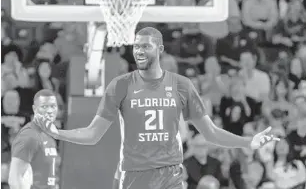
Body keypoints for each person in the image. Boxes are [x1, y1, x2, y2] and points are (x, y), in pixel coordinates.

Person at [37, 27, 280, 189]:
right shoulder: (120, 85)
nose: (140, 51)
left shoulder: (182, 86)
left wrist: (248, 142)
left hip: (170, 176)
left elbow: (211, 133)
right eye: (137, 46)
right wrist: (58, 134)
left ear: (161, 49)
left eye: (146, 46)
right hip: (133, 176)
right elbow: (93, 134)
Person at [8, 89, 59, 189]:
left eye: (53, 106)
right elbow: (14, 179)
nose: (49, 111)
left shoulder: (50, 139)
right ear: (35, 109)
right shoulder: (28, 137)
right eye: (44, 106)